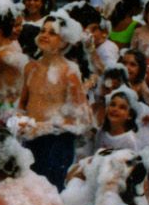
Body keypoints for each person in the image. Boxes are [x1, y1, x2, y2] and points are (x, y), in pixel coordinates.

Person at [16, 13, 92, 190]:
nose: (44, 35)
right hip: (31, 140)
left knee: (51, 193)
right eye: (43, 30)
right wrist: (19, 122)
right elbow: (22, 105)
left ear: (64, 41)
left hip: (57, 143)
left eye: (52, 33)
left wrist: (43, 127)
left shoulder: (69, 72)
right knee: (30, 193)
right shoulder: (30, 68)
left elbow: (83, 120)